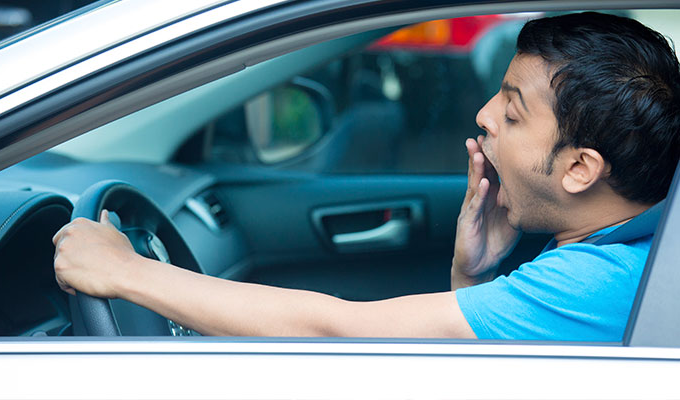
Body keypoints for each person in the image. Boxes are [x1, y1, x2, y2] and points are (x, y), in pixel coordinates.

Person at [53, 12, 680, 340]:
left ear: (579, 169)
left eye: (512, 113)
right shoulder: (629, 251)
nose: (484, 115)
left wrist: (127, 272)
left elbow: (338, 330)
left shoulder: (596, 284)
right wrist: (472, 278)